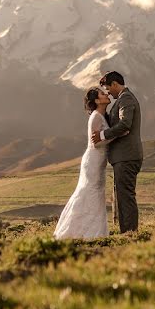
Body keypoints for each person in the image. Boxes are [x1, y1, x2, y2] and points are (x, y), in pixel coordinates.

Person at [53, 88, 114, 239]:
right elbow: (96, 143)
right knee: (90, 191)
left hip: (98, 161)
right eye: (102, 94)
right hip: (93, 160)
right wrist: (116, 135)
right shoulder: (96, 117)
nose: (106, 94)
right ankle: (83, 231)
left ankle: (93, 230)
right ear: (97, 101)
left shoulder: (101, 116)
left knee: (95, 192)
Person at [92, 71, 143, 232]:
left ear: (115, 84)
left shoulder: (126, 99)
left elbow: (125, 124)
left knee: (126, 196)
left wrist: (102, 135)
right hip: (123, 156)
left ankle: (129, 233)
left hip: (126, 156)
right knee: (122, 196)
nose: (108, 92)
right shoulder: (122, 99)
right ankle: (127, 231)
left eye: (108, 88)